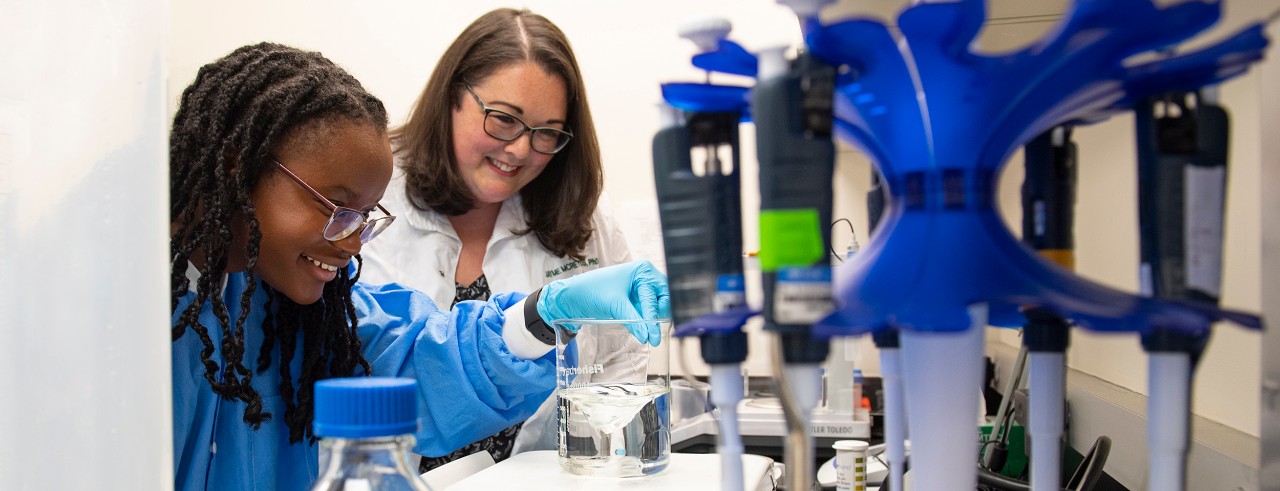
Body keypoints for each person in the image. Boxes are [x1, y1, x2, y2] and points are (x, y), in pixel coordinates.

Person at [169, 42, 667, 491]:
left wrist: (545, 313)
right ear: (239, 165)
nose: (351, 243)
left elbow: (416, 362)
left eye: (365, 218)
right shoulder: (122, 311)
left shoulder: (294, 306)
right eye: (336, 207)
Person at [358, 8, 634, 470]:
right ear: (451, 96)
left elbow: (620, 362)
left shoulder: (580, 216)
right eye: (504, 119)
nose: (522, 150)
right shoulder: (367, 194)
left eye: (547, 132)